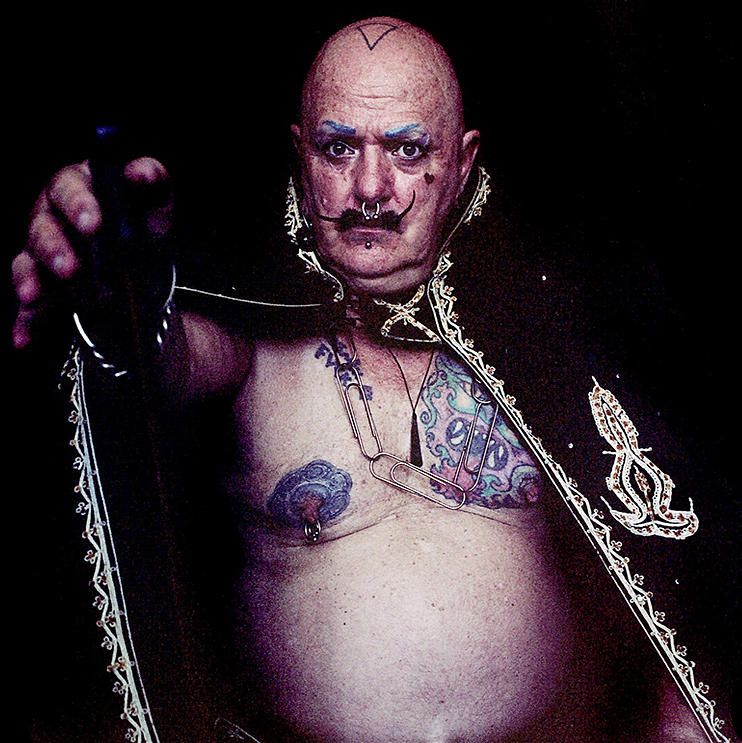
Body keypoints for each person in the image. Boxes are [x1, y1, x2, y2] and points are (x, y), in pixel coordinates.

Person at [12, 16, 738, 743]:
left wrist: (685, 718)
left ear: (462, 165)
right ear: (301, 156)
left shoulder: (545, 339)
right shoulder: (252, 342)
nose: (369, 188)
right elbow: (152, 357)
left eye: (407, 149)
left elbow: (660, 587)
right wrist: (117, 288)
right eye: (338, 148)